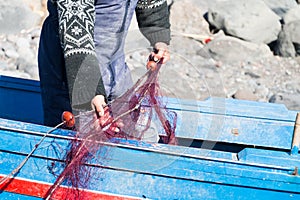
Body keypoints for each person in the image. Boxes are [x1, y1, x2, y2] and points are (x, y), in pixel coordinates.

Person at [38, 0, 171, 127]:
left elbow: (151, 5)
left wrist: (159, 41)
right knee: (80, 132)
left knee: (135, 127)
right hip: (74, 69)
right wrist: (92, 91)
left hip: (115, 65)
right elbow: (76, 38)